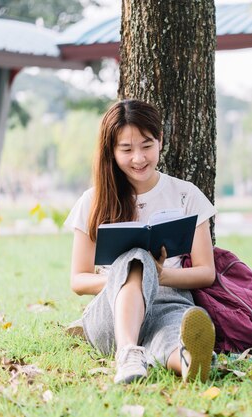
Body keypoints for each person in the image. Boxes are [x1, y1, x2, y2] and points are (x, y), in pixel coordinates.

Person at [64, 99, 217, 384]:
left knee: (173, 334)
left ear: (160, 141)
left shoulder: (187, 195)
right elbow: (78, 280)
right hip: (110, 313)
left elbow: (206, 273)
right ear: (111, 151)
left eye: (147, 146)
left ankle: (188, 361)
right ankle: (126, 354)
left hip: (169, 302)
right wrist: (131, 276)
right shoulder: (92, 201)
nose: (138, 158)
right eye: (126, 149)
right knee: (136, 256)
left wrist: (158, 275)